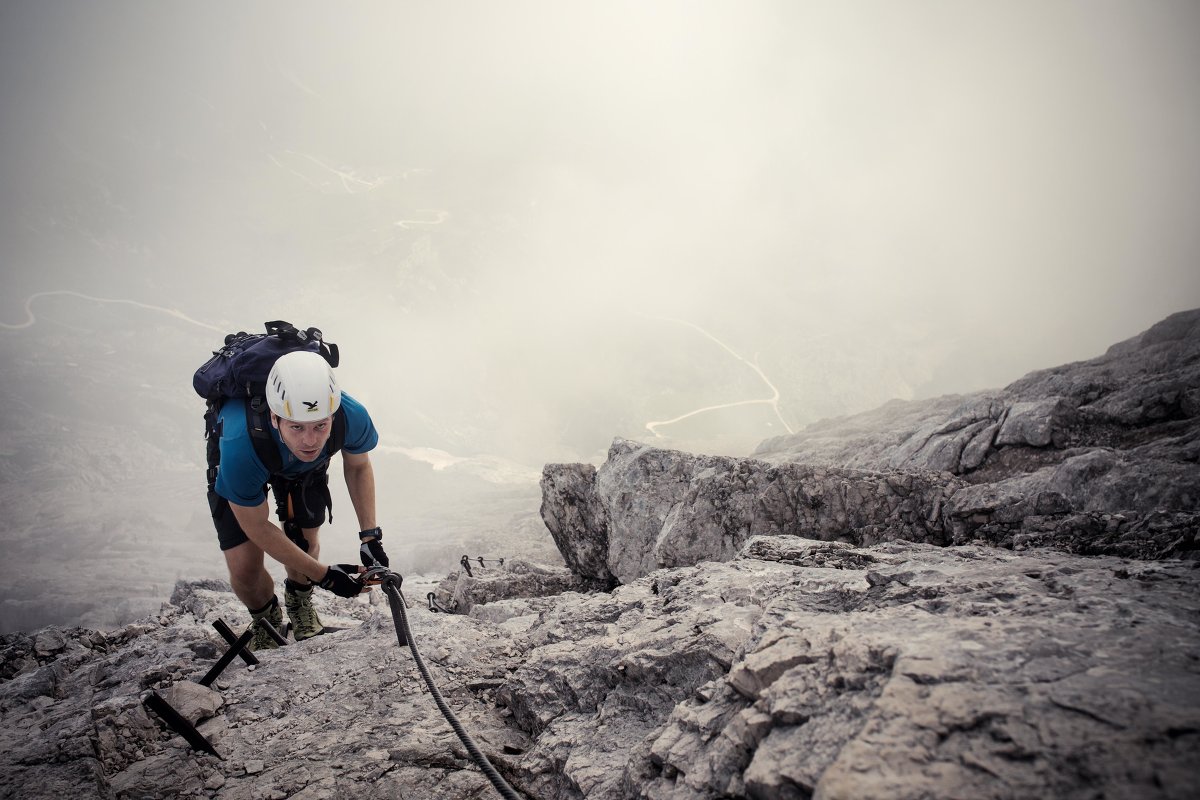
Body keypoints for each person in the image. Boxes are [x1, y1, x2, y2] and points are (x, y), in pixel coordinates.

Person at [206, 350, 389, 650]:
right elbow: (256, 526)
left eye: (321, 425)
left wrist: (370, 537)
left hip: (303, 469)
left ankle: (300, 603)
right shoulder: (240, 445)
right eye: (297, 427)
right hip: (251, 456)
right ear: (275, 417)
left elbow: (358, 466)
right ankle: (265, 619)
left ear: (333, 414)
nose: (310, 440)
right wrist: (326, 577)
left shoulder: (350, 415)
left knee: (305, 541)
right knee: (244, 569)